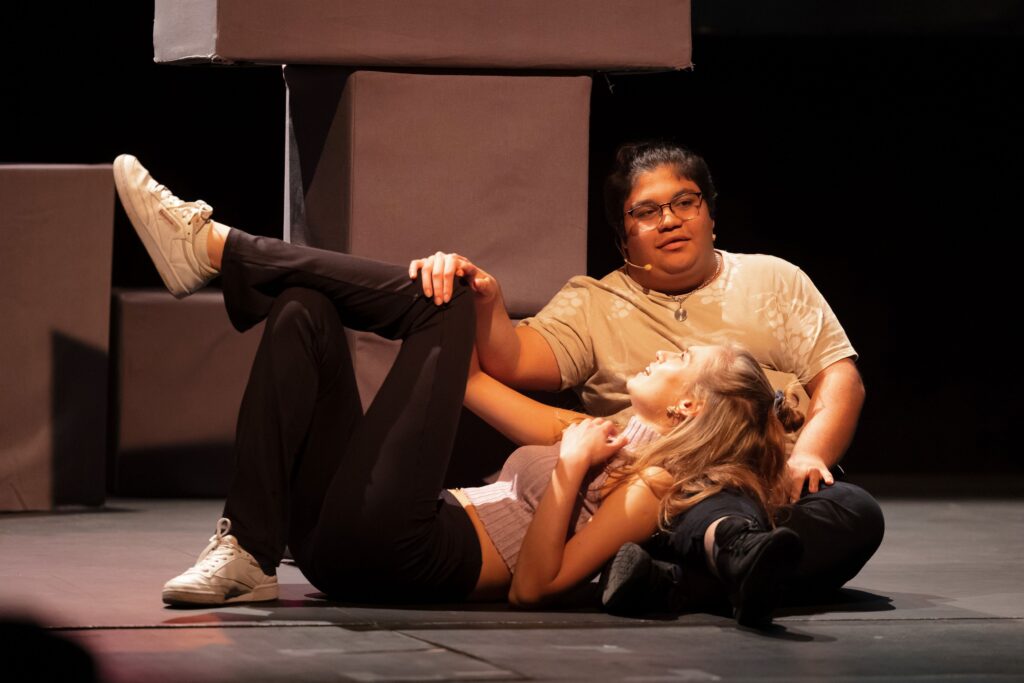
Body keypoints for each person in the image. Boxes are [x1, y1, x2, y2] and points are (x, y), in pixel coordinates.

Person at [112, 154, 807, 613]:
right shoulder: (597, 432)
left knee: (436, 305)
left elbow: (534, 588)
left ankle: (219, 249)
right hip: (336, 543)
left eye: (676, 359)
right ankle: (247, 548)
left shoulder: (650, 486)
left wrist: (568, 475)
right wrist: (478, 292)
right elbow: (466, 381)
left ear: (686, 406)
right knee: (305, 309)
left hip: (403, 552)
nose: (656, 357)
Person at [410, 141, 884, 623]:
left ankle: (672, 585)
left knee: (854, 511)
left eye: (685, 202)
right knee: (692, 495)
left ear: (710, 214)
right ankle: (718, 558)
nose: (670, 220)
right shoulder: (593, 304)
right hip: (659, 495)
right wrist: (487, 299)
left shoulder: (775, 279)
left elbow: (840, 378)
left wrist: (808, 455)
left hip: (774, 477)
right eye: (646, 211)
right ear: (624, 236)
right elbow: (511, 360)